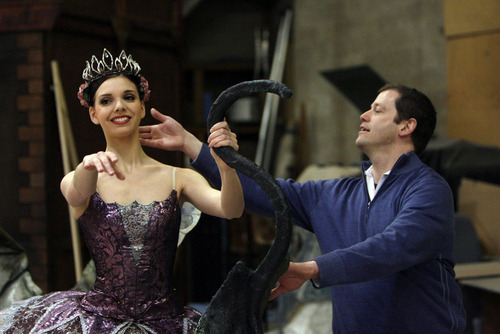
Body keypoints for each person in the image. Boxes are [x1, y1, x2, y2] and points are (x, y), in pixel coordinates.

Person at [138, 84, 466, 333]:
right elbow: (265, 191)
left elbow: (392, 247)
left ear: (406, 126)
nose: (364, 115)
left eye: (378, 111)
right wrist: (191, 144)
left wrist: (312, 269)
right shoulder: (338, 194)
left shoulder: (428, 190)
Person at [0, 49, 244, 334]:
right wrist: (87, 167)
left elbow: (231, 209)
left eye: (129, 97)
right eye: (106, 100)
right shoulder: (81, 177)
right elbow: (78, 192)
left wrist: (228, 168)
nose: (119, 106)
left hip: (169, 322)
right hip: (95, 323)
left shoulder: (179, 177)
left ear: (142, 107)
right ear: (93, 113)